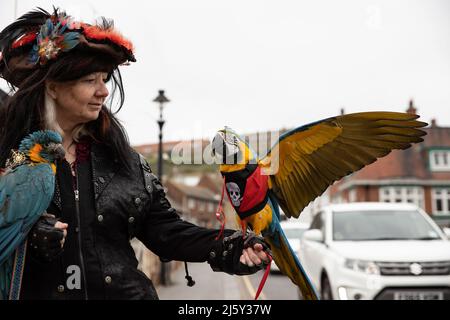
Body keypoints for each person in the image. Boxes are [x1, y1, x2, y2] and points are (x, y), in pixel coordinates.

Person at [0, 8, 269, 300]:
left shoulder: (123, 160)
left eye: (104, 79)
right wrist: (29, 234)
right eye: (91, 80)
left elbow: (168, 232)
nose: (103, 92)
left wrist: (230, 246)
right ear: (52, 86)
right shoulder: (11, 156)